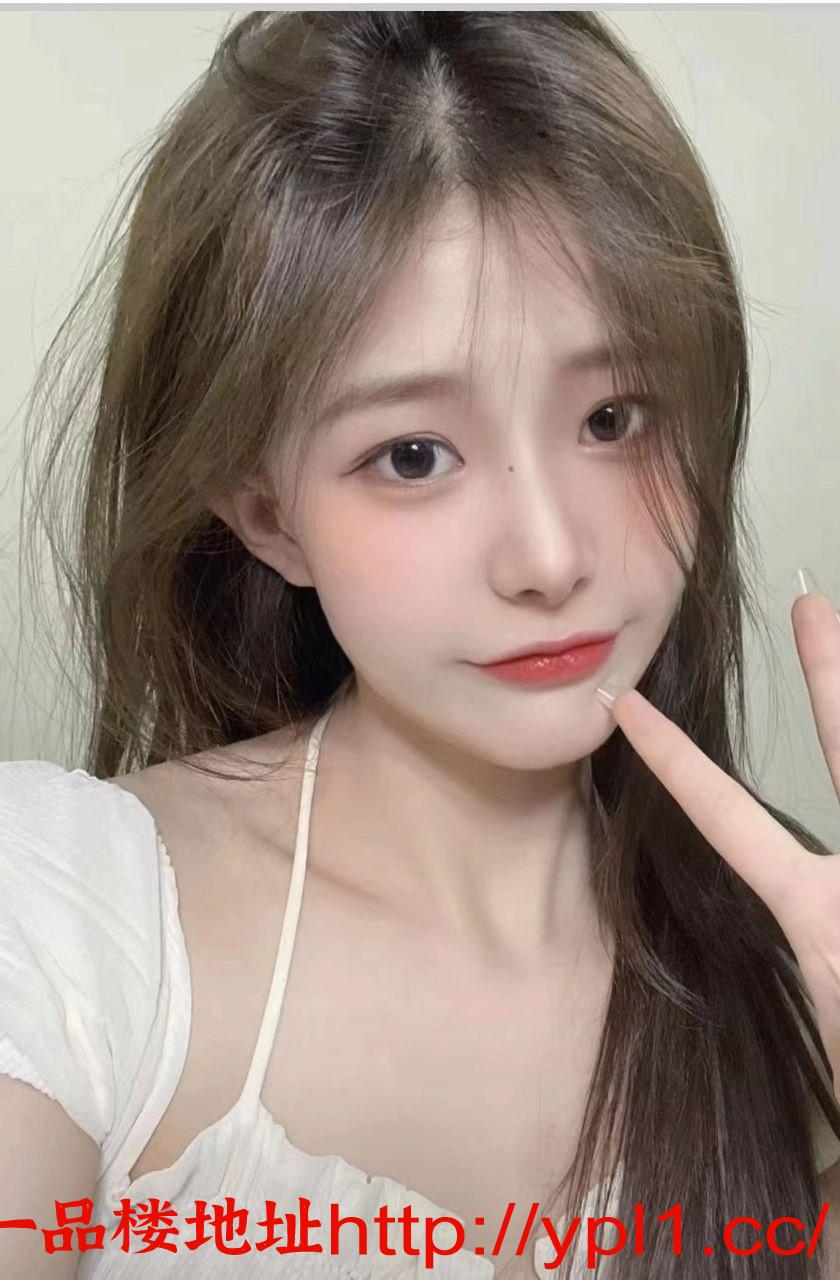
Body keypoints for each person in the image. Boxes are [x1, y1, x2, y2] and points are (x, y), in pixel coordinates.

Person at [1, 11, 838, 1279]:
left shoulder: (795, 960)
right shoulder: (71, 925)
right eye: (412, 454)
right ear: (268, 512)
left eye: (615, 417)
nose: (548, 556)